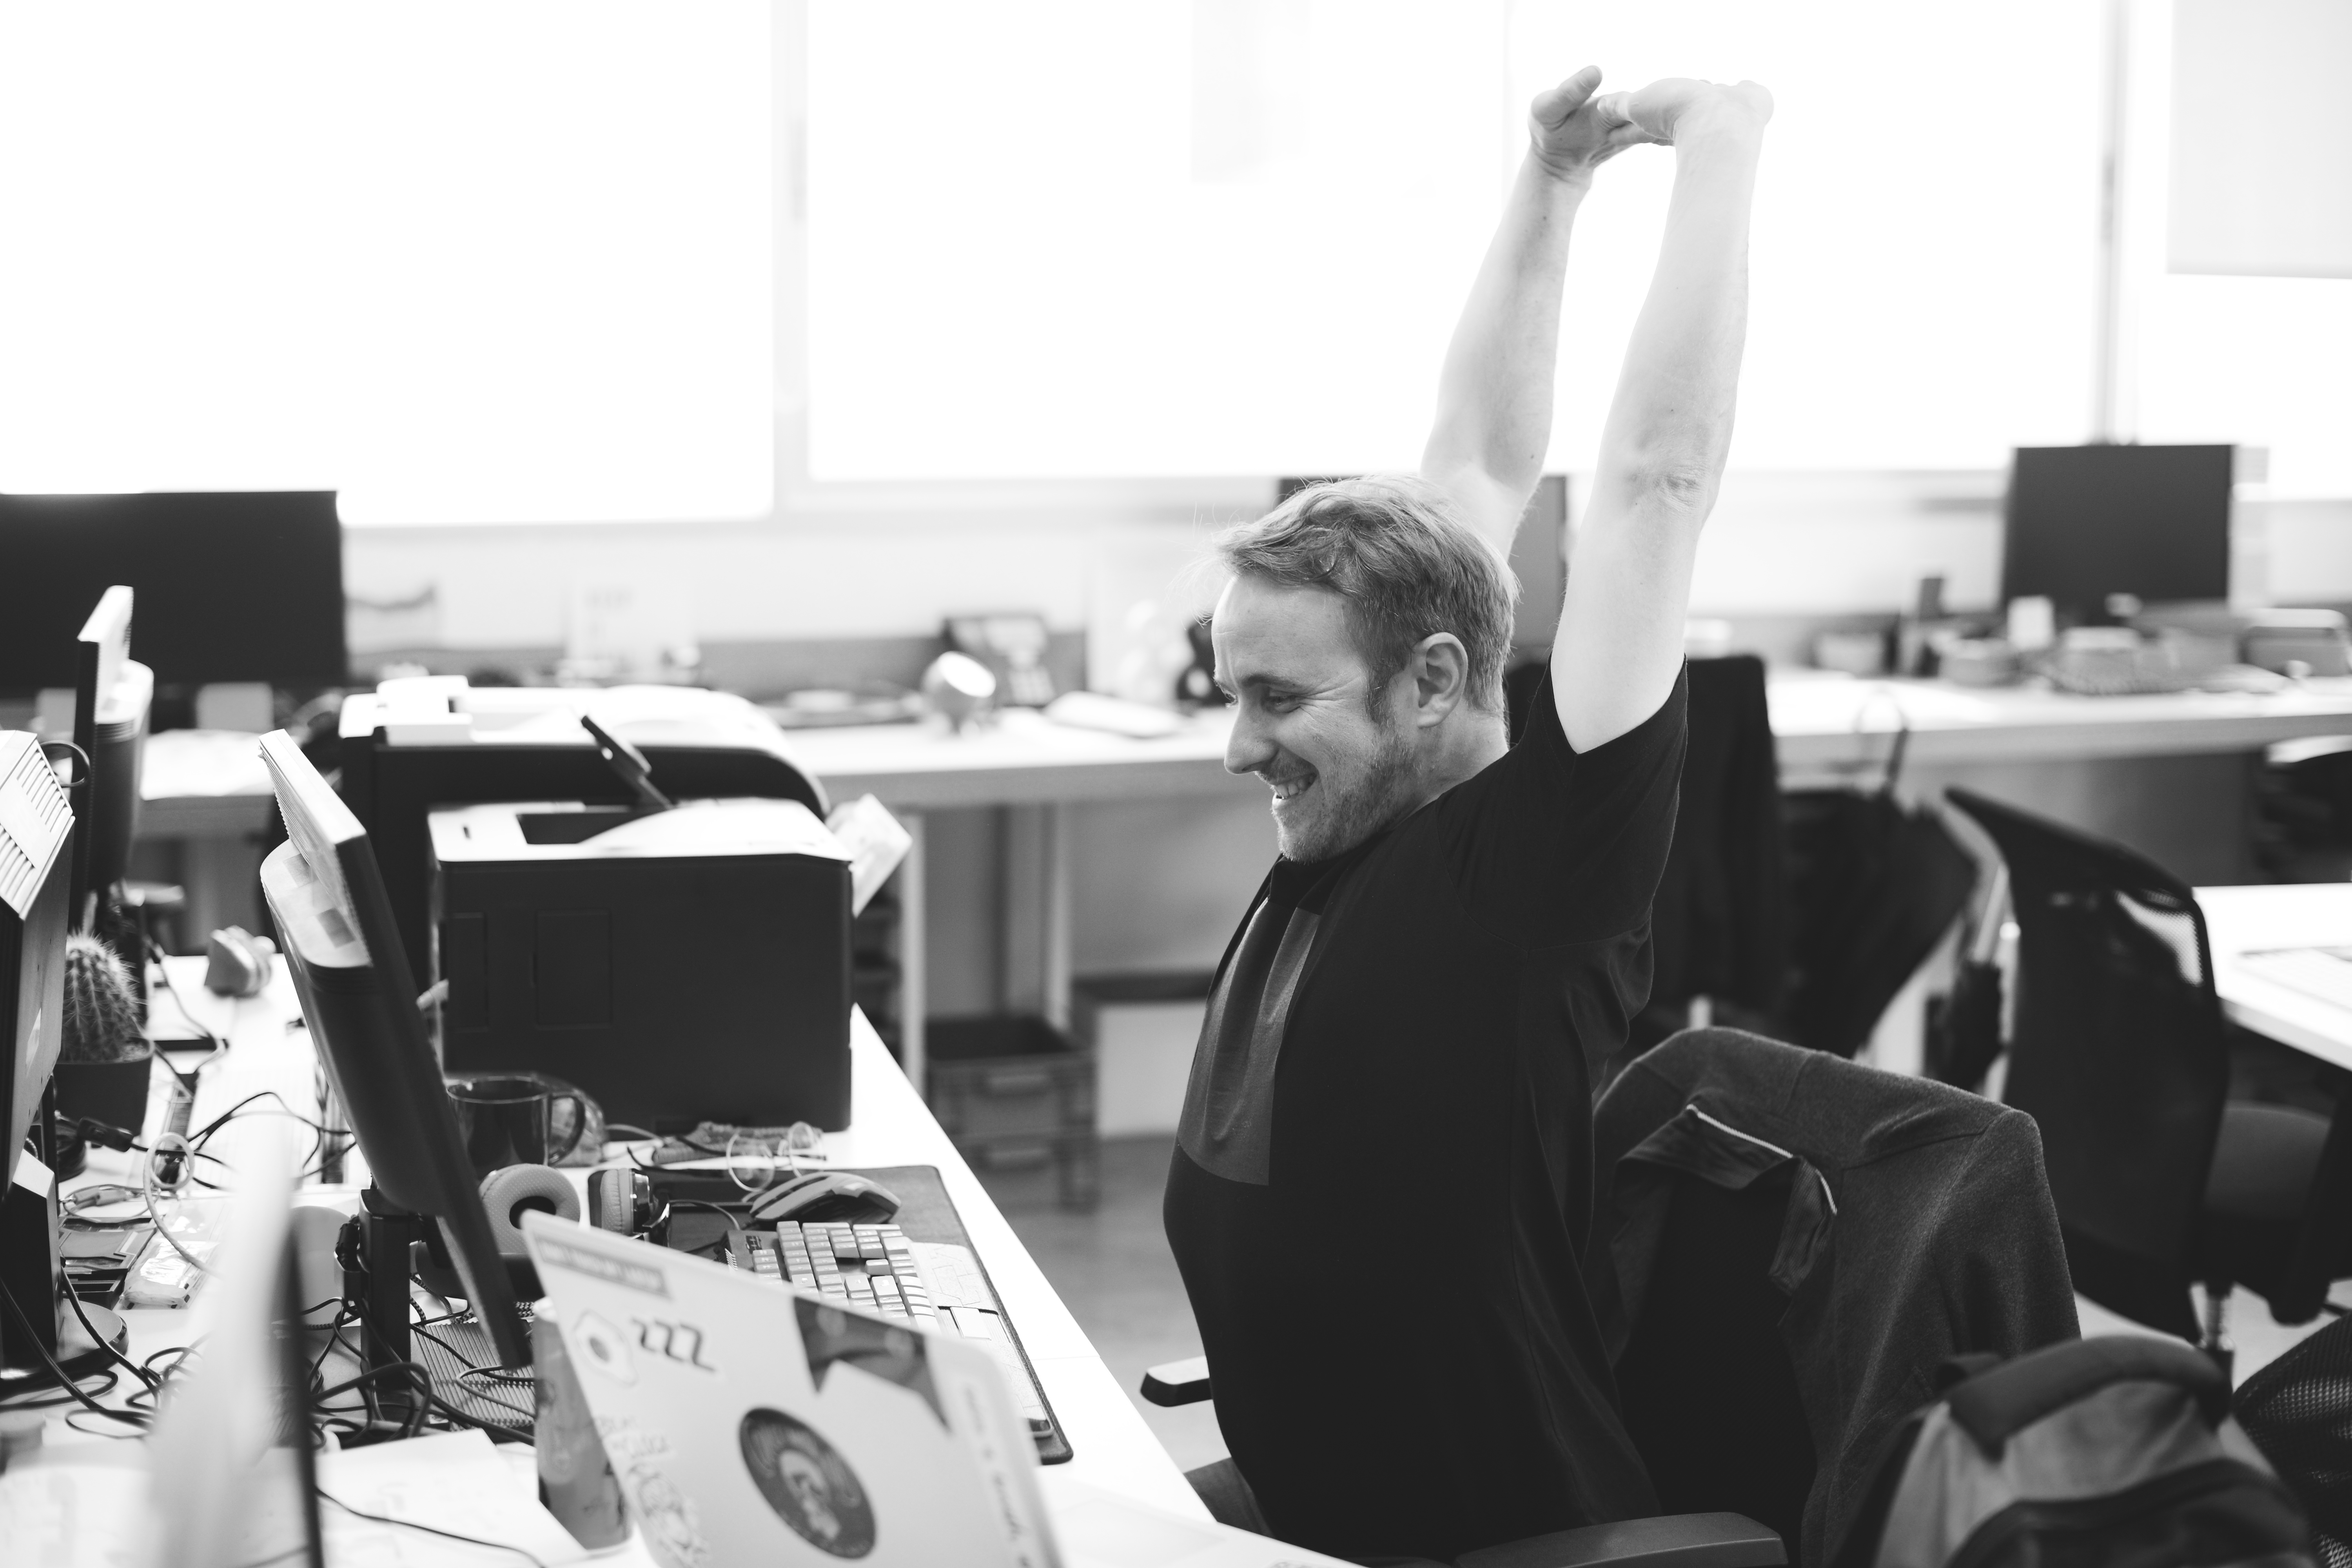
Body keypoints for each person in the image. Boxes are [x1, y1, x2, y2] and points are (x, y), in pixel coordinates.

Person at [1160, 66, 1774, 1563]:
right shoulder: (1363, 816)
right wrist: (1552, 182)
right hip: (1316, 1501)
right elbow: (1481, 458)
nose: (1240, 749)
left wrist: (1719, 142)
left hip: (1484, 1537)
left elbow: (1654, 485)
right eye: (1230, 693)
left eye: (1278, 702)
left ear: (1432, 681)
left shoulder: (1529, 872)